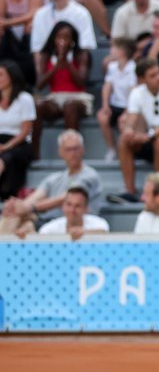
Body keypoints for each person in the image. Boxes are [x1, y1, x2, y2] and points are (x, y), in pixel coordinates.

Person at [109, 58, 159, 203]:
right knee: (124, 141)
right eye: (153, 76)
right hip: (151, 137)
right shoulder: (137, 93)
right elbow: (132, 119)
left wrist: (149, 135)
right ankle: (129, 191)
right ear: (142, 79)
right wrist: (129, 131)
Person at [0, 130, 102, 237]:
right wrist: (17, 206)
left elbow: (68, 198)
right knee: (13, 215)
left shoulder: (89, 175)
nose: (73, 153)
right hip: (48, 221)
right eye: (68, 149)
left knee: (27, 225)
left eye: (76, 149)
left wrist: (30, 208)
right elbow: (35, 198)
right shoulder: (54, 178)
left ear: (83, 150)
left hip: (75, 221)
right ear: (60, 152)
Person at [32, 21, 93, 161]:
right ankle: (34, 152)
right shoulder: (46, 56)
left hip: (77, 98)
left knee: (69, 105)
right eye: (59, 37)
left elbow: (82, 81)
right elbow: (40, 84)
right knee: (38, 105)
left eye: (66, 38)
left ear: (72, 40)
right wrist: (56, 66)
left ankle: (72, 153)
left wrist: (65, 61)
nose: (62, 41)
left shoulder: (81, 54)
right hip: (55, 97)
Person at [30, 0, 97, 61]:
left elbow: (85, 46)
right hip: (48, 66)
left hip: (74, 65)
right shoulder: (40, 14)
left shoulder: (81, 13)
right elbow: (37, 48)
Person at [0, 0, 44, 88]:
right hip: (11, 29)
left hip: (31, 26)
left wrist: (7, 23)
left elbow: (34, 12)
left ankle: (34, 77)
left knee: (30, 26)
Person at [98, 37, 138, 162]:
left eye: (114, 47)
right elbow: (107, 87)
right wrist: (105, 105)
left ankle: (126, 151)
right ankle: (112, 149)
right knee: (102, 117)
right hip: (115, 104)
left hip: (130, 106)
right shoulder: (112, 67)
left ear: (122, 52)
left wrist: (127, 112)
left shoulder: (133, 68)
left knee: (124, 122)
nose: (111, 50)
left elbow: (133, 94)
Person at [0, 60, 34, 201]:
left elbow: (26, 130)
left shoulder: (25, 99)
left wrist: (6, 147)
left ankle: (7, 194)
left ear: (12, 76)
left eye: (1, 75)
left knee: (7, 158)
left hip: (18, 143)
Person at [37, 185, 110, 240]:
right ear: (63, 206)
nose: (72, 210)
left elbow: (104, 232)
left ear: (85, 209)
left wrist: (84, 233)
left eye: (77, 206)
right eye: (69, 205)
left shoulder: (98, 222)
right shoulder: (51, 227)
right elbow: (42, 235)